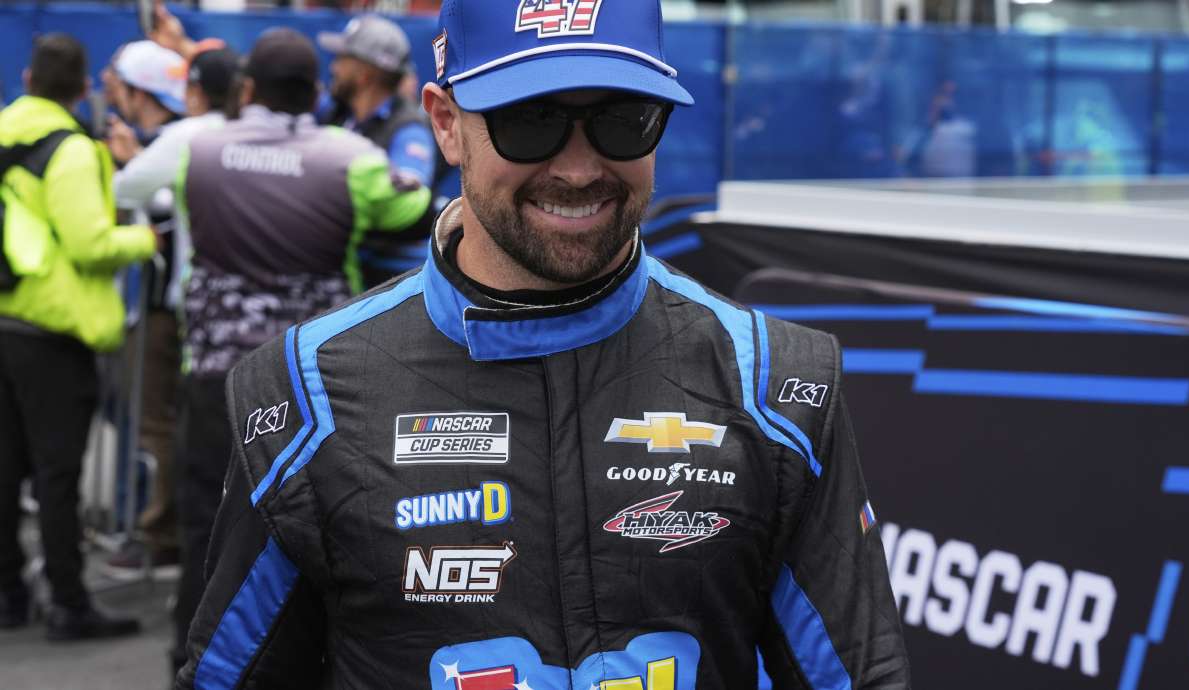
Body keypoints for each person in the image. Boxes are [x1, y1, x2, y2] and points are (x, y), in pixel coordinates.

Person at [176, 2, 910, 688]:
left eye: (623, 119)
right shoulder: (304, 396)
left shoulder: (776, 383)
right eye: (531, 119)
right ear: (446, 122)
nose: (580, 167)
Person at [170, 27, 430, 678]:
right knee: (315, 519)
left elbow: (155, 204)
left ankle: (192, 655)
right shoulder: (346, 154)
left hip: (215, 364)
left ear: (247, 88)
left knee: (207, 516)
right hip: (309, 373)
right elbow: (414, 206)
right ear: (313, 91)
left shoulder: (196, 147)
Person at [0, 33, 156, 640]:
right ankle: (69, 603)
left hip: (6, 320)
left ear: (28, 77)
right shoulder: (71, 149)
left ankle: (10, 593)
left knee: (6, 468)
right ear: (84, 87)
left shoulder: (6, 130)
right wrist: (146, 242)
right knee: (56, 474)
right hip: (53, 331)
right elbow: (91, 244)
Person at [102, 45, 241, 581]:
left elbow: (126, 188)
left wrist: (127, 156)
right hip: (264, 308)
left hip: (201, 310)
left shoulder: (186, 136)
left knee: (187, 430)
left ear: (195, 92)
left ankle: (176, 548)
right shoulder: (256, 135)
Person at [317, 14, 449, 285]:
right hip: (346, 264)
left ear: (365, 74)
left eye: (343, 59)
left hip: (385, 278)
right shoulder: (337, 112)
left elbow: (405, 201)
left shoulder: (408, 129)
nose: (334, 67)